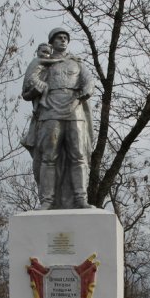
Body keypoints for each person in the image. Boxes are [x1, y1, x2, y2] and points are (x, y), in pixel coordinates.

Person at [20, 26, 95, 209]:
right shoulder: (44, 63)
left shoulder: (77, 63)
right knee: (49, 156)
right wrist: (36, 88)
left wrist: (87, 90)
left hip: (74, 110)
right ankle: (47, 200)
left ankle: (80, 198)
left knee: (78, 155)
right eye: (59, 38)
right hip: (50, 111)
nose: (63, 40)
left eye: (65, 38)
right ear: (52, 42)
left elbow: (89, 81)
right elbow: (27, 92)